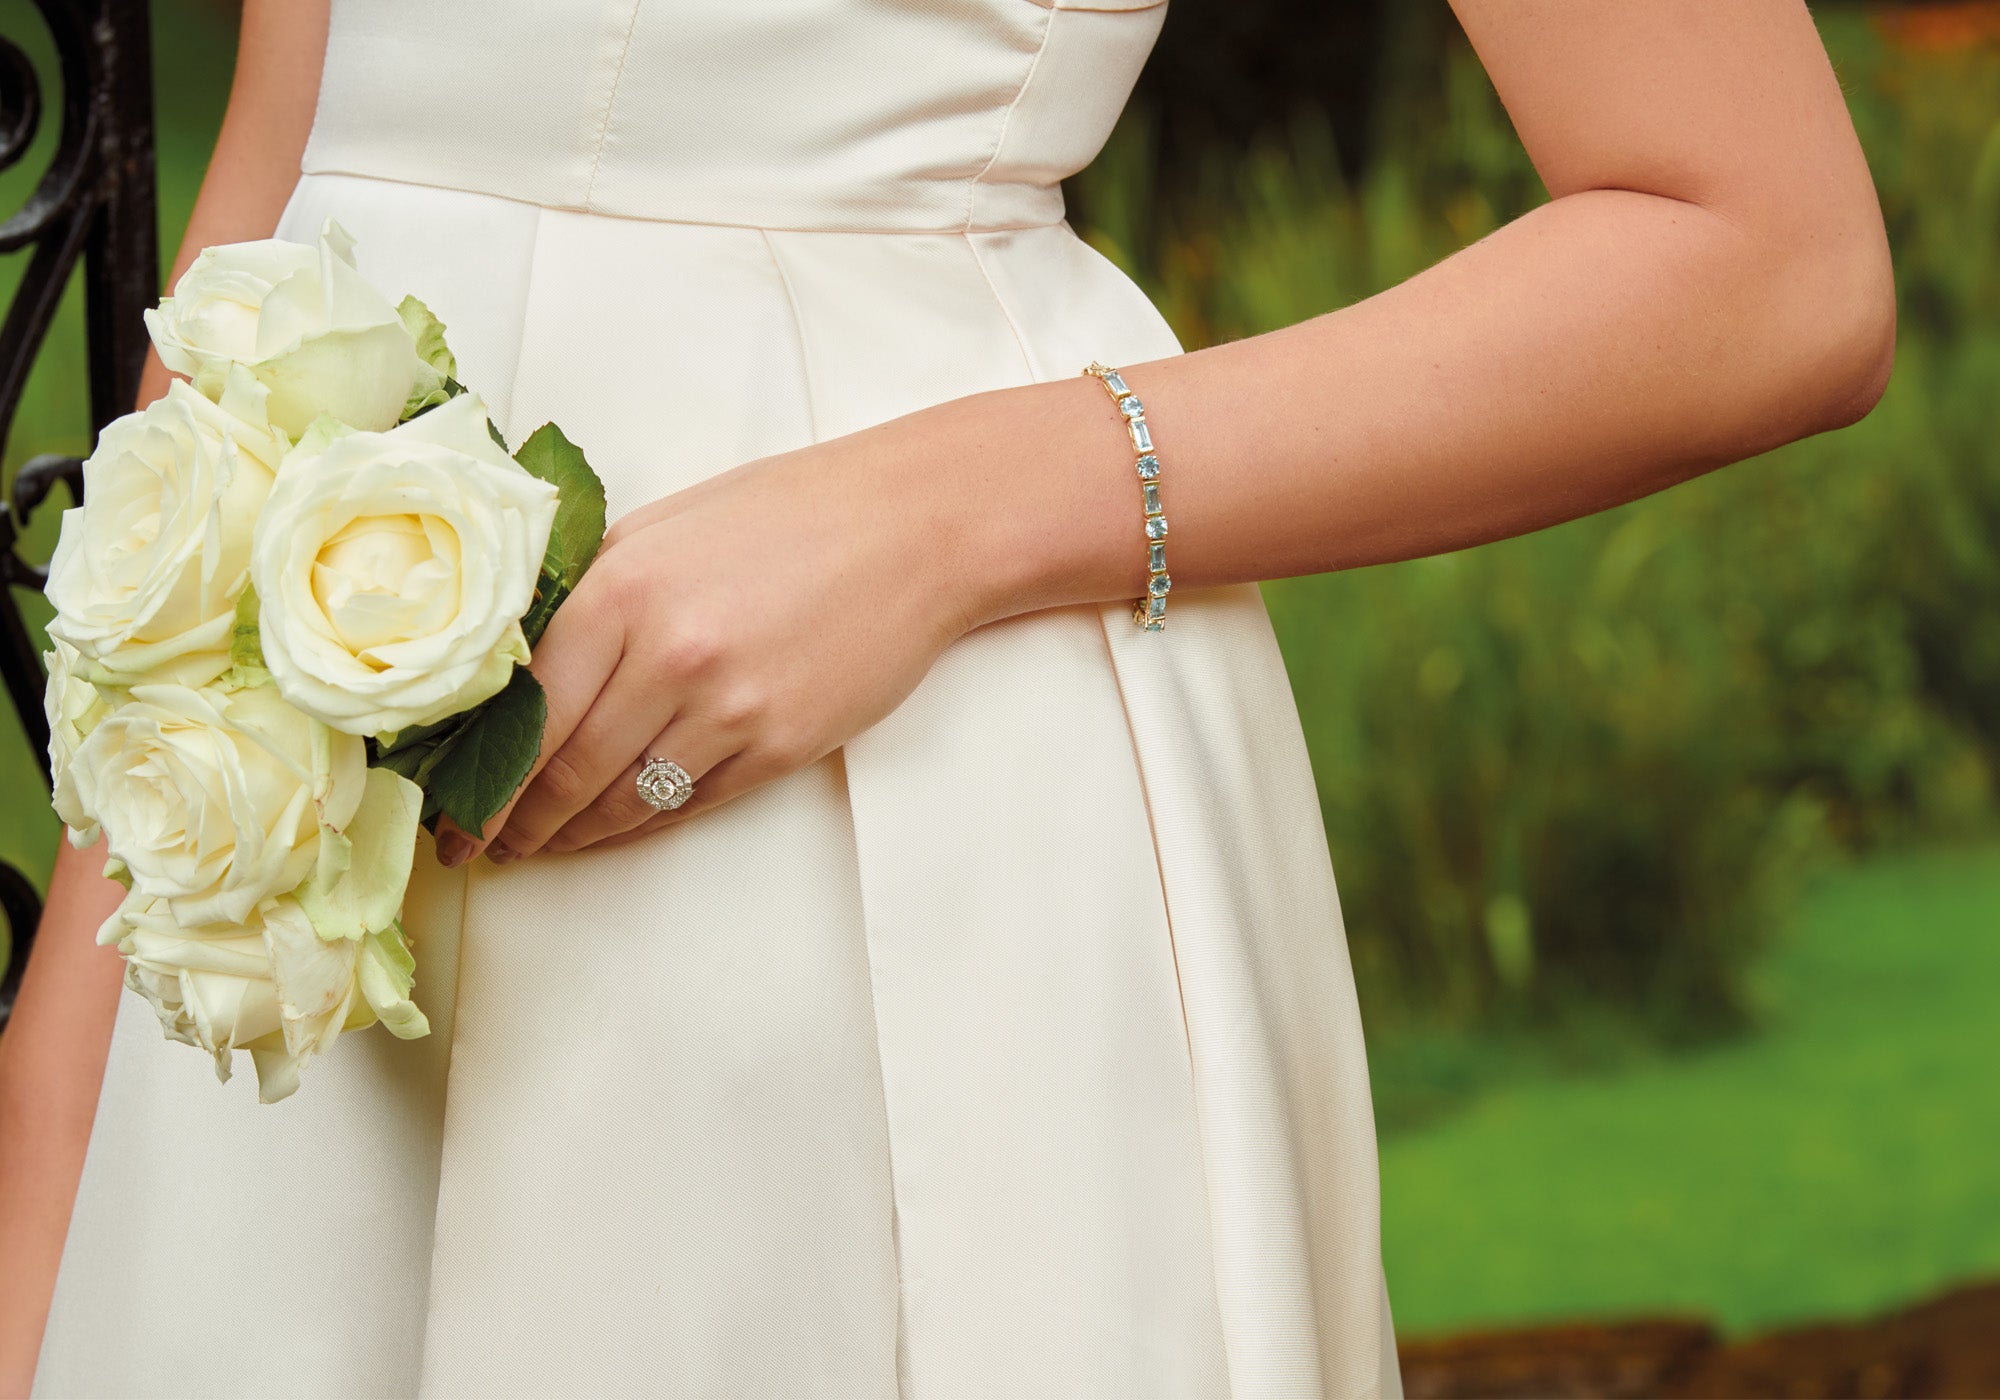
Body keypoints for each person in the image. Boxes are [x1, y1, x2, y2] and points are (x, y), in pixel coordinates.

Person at [1, 0, 1892, 1395]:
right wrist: (76, 1056)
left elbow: (1763, 258)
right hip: (279, 908)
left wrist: (941, 517)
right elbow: (296, 148)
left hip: (865, 832)